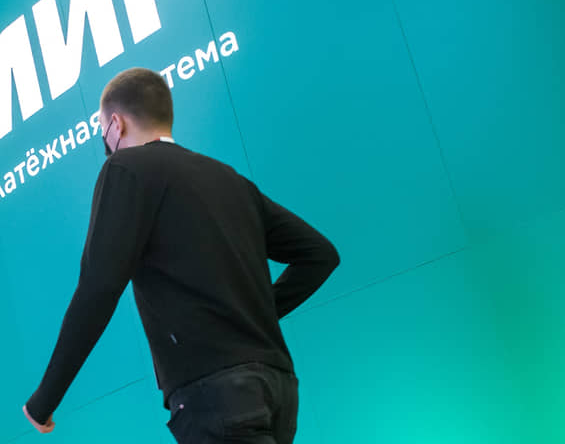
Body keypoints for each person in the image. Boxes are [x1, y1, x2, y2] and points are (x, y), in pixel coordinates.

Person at [22, 67, 339, 443]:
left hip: (216, 395)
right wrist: (252, 315)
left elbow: (99, 286)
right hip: (278, 386)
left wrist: (44, 400)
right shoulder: (229, 179)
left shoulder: (125, 168)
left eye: (103, 132)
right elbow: (319, 255)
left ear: (116, 125)